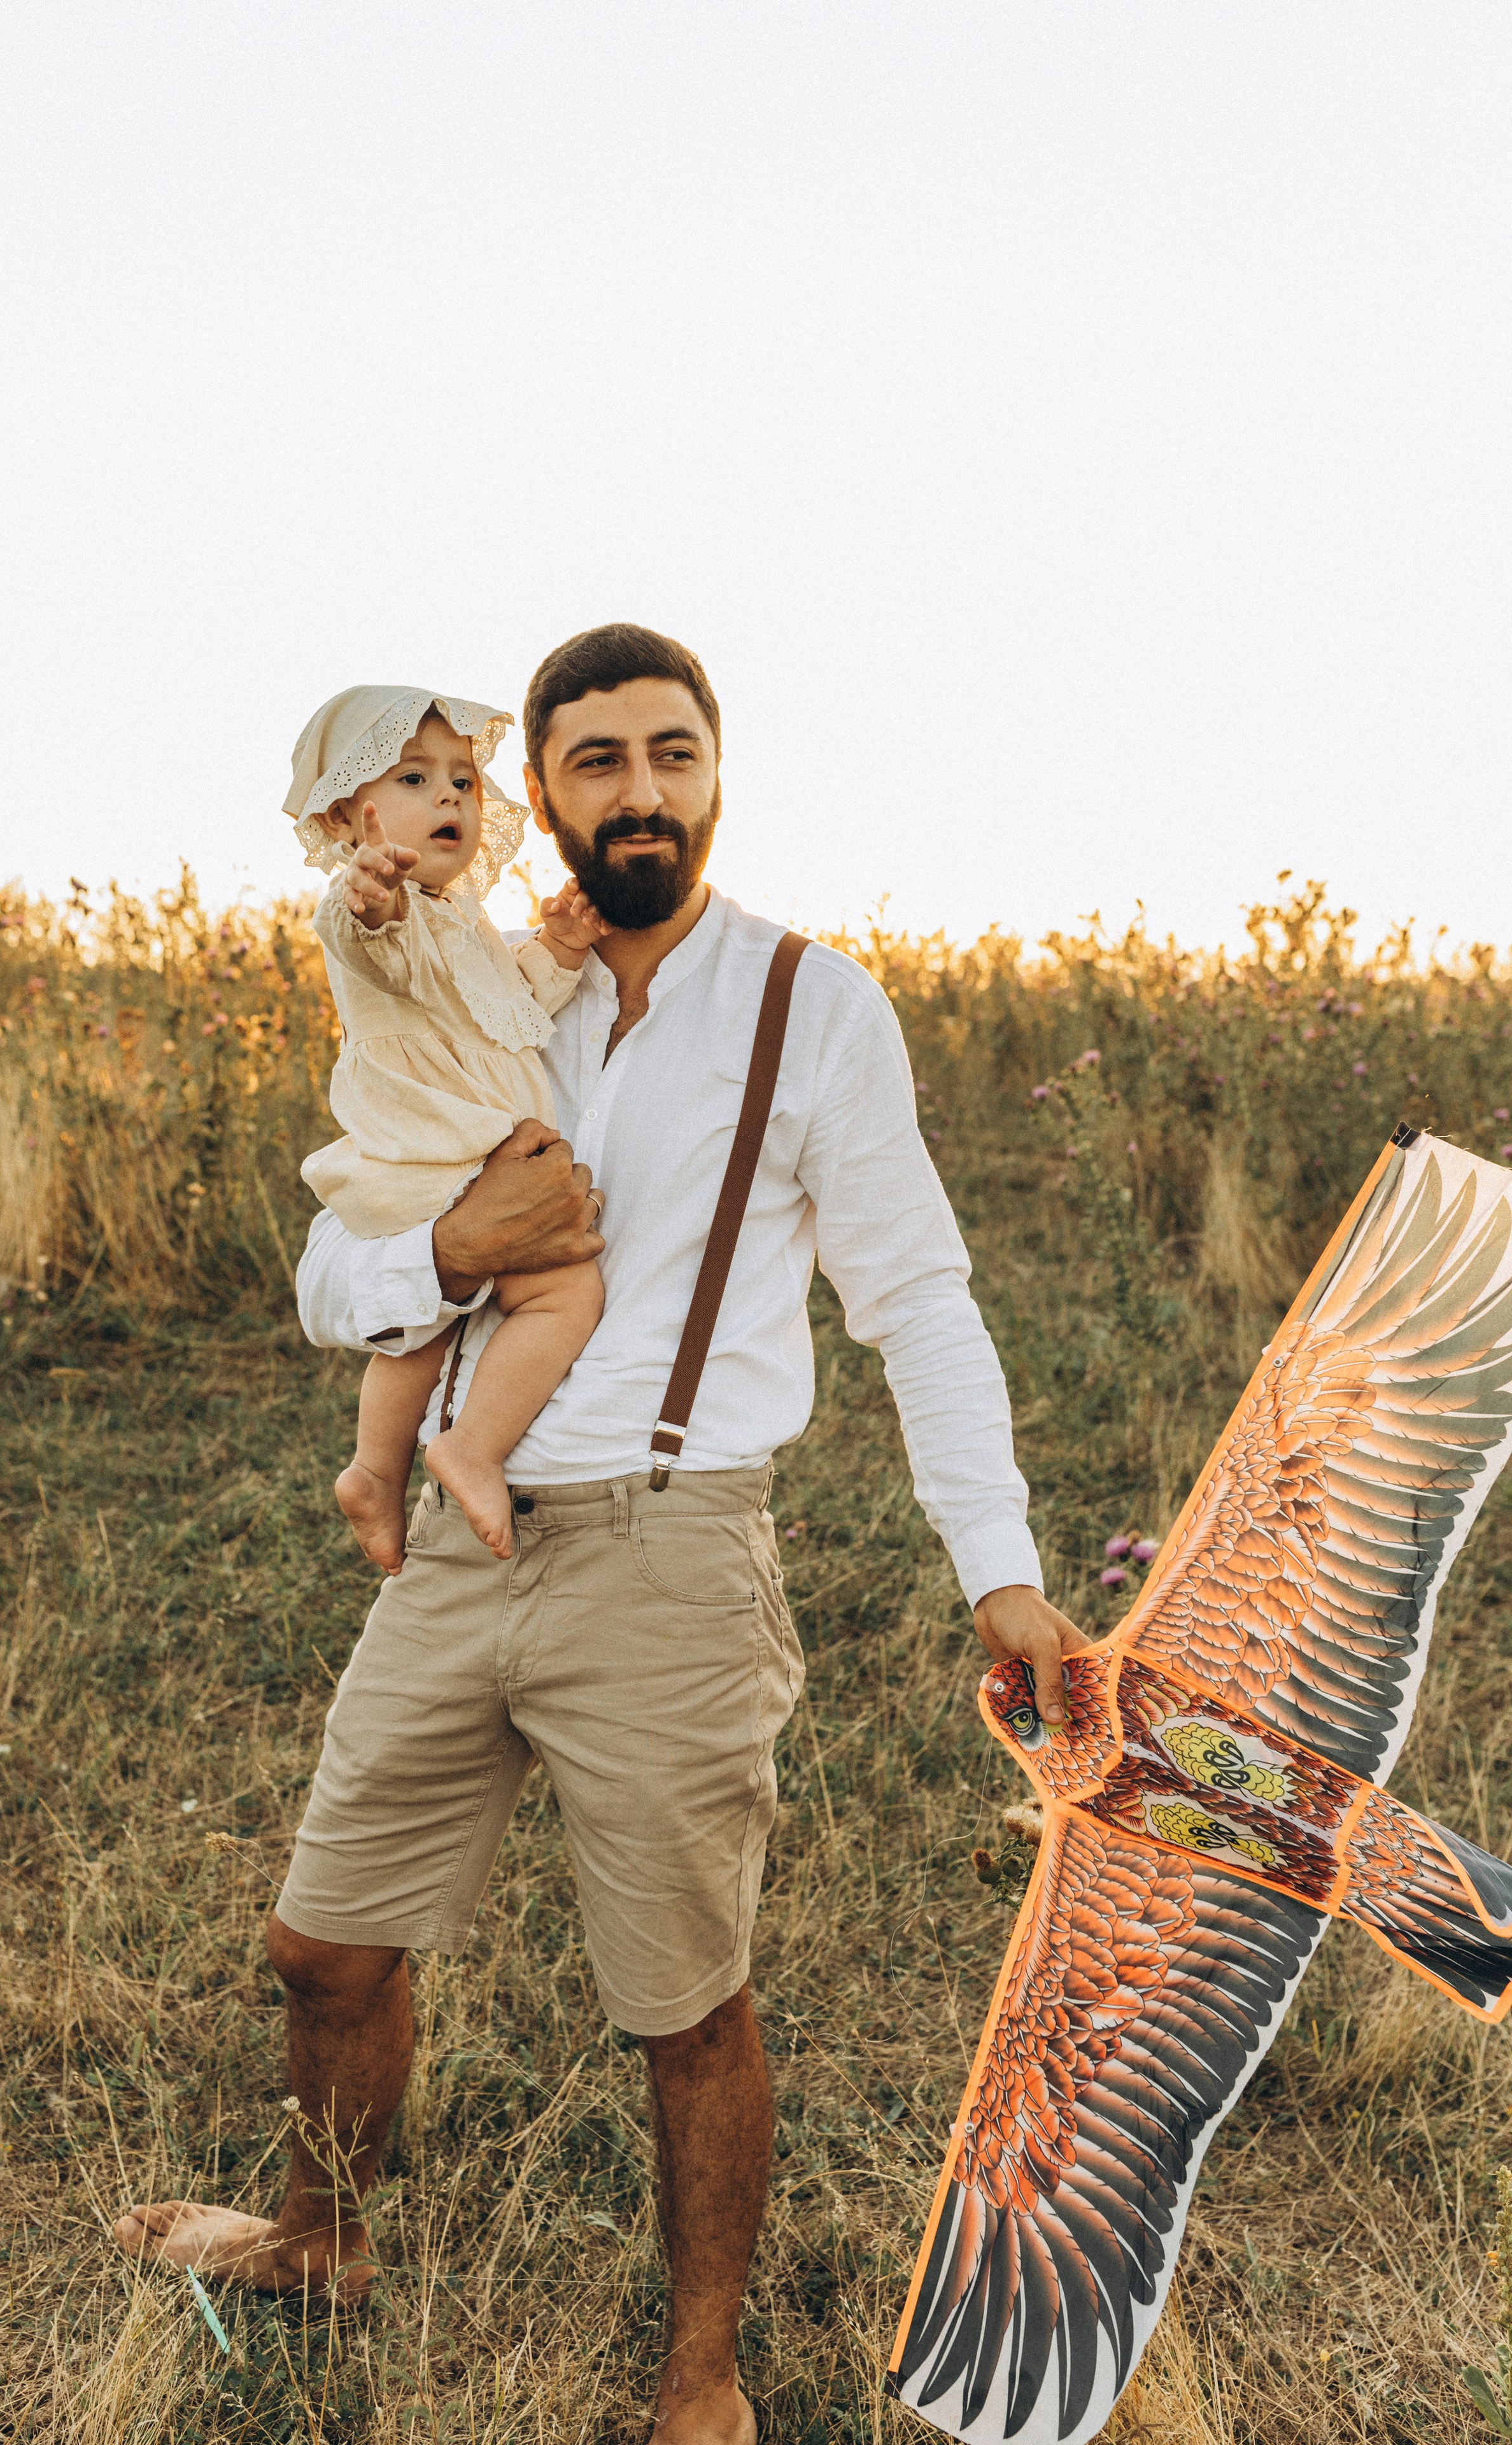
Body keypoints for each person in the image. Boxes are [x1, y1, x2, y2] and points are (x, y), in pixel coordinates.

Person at [111, 625, 1088, 2445]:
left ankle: (699, 2371)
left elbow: (924, 1302)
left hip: (673, 1550)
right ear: (538, 798)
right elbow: (341, 1267)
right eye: (596, 763)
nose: (641, 791)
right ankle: (325, 2241)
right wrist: (446, 1261)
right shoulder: (490, 992)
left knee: (682, 2003)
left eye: (673, 754)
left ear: (717, 772)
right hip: (462, 1550)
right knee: (326, 1947)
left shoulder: (814, 1005)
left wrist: (1002, 1566)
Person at [286, 686, 609, 1566]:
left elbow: (512, 1008)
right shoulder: (369, 906)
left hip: (465, 1153)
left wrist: (563, 949)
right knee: (563, 1291)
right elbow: (366, 939)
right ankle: (467, 1447)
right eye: (416, 779)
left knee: (431, 1326)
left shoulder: (465, 918)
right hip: (435, 1149)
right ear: (354, 816)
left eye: (464, 782)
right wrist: (371, 893)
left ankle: (373, 1471)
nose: (450, 800)